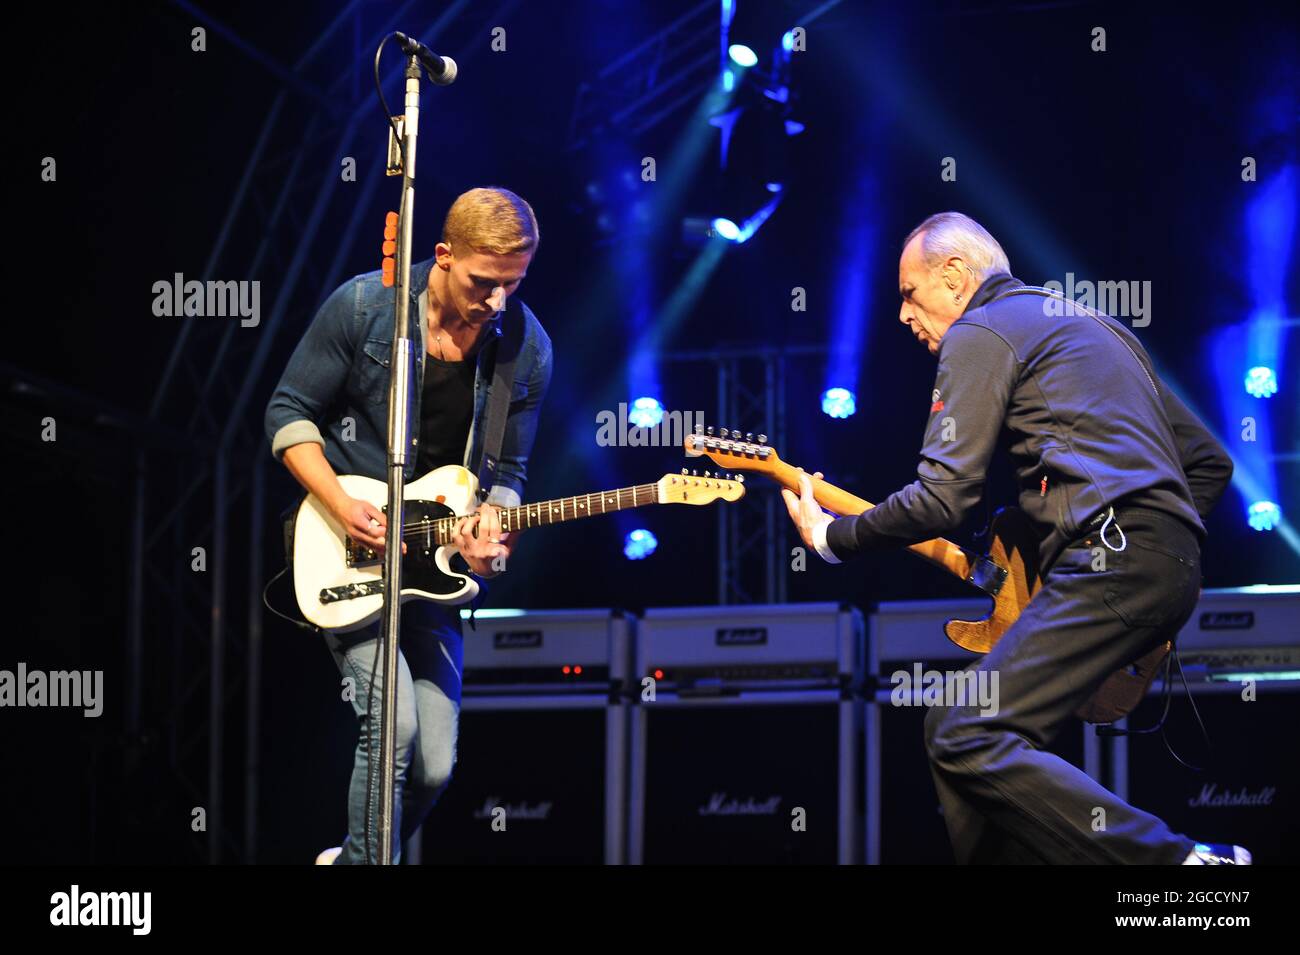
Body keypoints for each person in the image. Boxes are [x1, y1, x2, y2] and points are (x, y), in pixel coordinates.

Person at [783, 211, 1247, 864]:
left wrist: (836, 537)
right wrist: (1159, 547)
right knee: (956, 739)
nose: (901, 316)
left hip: (1108, 563)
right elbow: (1210, 462)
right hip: (1164, 568)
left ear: (954, 276)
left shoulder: (980, 330)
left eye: (909, 294)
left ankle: (1182, 866)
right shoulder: (1095, 324)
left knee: (964, 729)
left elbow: (942, 497)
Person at [264, 186, 553, 864]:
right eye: (485, 282)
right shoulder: (366, 306)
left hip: (433, 568)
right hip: (345, 552)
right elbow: (288, 413)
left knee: (433, 764)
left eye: (513, 283)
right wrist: (339, 501)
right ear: (444, 255)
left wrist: (494, 525)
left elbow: (509, 470)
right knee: (391, 730)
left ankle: (357, 856)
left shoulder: (527, 348)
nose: (497, 301)